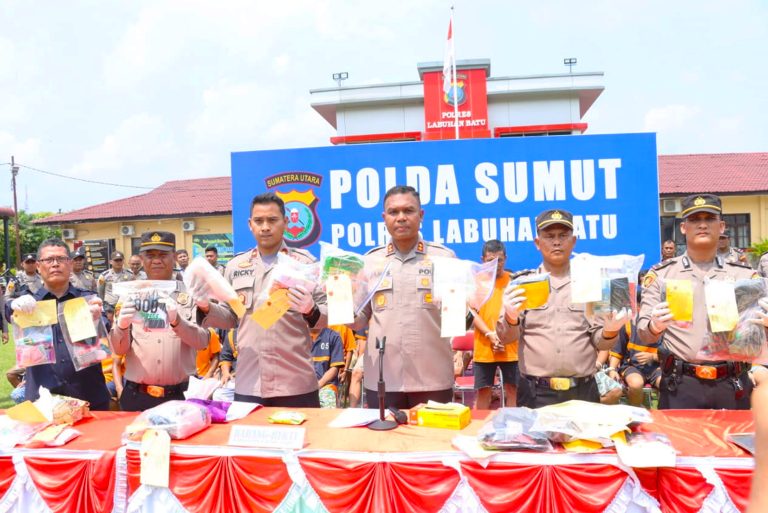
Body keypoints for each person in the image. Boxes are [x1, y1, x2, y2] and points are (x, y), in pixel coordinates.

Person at [198, 192, 326, 407]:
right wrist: (204, 305)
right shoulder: (236, 266)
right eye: (259, 221)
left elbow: (328, 314)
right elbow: (230, 317)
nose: (265, 227)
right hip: (250, 382)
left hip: (295, 382)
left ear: (285, 222)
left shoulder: (305, 265)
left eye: (272, 220)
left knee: (300, 440)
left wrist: (310, 309)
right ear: (250, 224)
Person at [637, 194, 764, 409]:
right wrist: (654, 326)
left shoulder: (745, 277)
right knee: (680, 443)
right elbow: (643, 332)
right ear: (684, 228)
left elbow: (756, 335)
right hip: (681, 384)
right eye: (695, 220)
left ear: (721, 226)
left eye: (709, 218)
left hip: (731, 383)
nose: (702, 225)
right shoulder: (662, 275)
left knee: (731, 443)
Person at [498, 209, 626, 408]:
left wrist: (611, 329)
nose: (556, 242)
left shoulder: (590, 284)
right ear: (537, 243)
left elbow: (601, 343)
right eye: (549, 236)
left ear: (573, 241)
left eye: (563, 236)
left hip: (582, 392)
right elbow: (505, 338)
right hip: (535, 392)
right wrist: (510, 317)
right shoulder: (522, 284)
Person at [351, 185, 456, 409]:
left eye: (408, 211)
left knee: (433, 443)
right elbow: (359, 319)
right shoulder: (370, 262)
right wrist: (339, 302)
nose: (401, 218)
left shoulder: (444, 258)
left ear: (421, 215)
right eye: (393, 212)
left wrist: (456, 306)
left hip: (432, 377)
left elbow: (456, 321)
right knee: (386, 443)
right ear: (384, 217)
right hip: (383, 378)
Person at [110, 231, 210, 411]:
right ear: (142, 258)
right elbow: (118, 349)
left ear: (174, 257)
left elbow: (203, 342)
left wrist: (177, 321)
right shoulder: (128, 295)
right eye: (150, 255)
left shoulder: (191, 295)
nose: (156, 260)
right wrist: (121, 327)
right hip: (137, 396)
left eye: (163, 255)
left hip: (181, 396)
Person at [6, 239, 111, 409]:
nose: (55, 264)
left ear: (70, 264)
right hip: (43, 400)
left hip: (89, 396)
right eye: (49, 260)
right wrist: (11, 304)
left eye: (61, 259)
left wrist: (97, 320)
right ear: (39, 266)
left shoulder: (88, 300)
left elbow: (105, 334)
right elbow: (7, 308)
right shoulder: (27, 303)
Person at [471, 240, 518, 409]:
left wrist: (503, 336)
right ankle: (478, 429)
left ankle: (514, 430)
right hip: (484, 345)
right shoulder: (475, 283)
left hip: (510, 346)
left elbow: (519, 311)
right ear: (482, 259)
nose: (495, 265)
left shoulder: (513, 280)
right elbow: (471, 313)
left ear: (505, 259)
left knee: (512, 389)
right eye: (490, 260)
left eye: (499, 260)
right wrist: (490, 335)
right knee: (484, 391)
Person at [607, 321, 661, 407]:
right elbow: (618, 350)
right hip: (632, 366)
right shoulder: (628, 323)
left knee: (665, 383)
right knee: (636, 383)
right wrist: (612, 369)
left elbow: (671, 354)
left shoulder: (663, 324)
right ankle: (637, 411)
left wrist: (653, 357)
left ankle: (663, 416)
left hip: (657, 367)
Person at [310, 327, 345, 407]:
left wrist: (317, 385)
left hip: (326, 386)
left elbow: (334, 369)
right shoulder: (299, 336)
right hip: (304, 386)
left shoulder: (334, 336)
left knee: (326, 403)